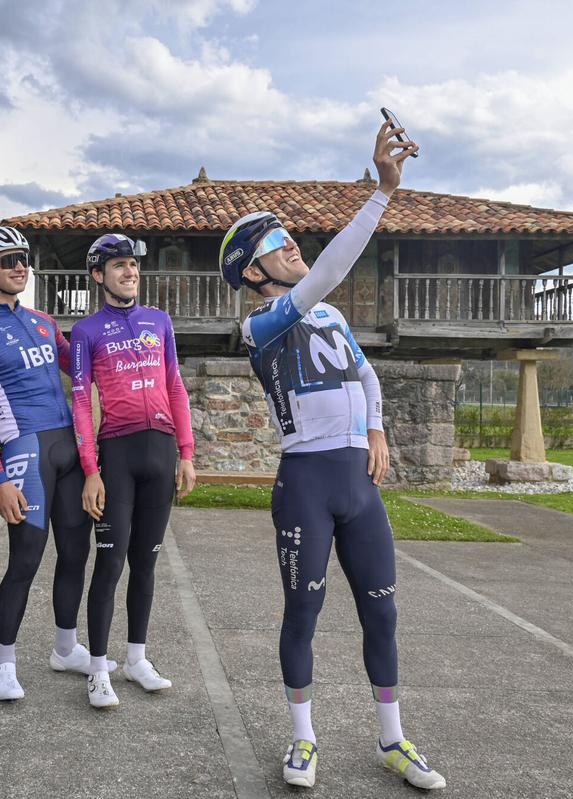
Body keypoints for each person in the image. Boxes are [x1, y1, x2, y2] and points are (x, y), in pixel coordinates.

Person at [220, 122, 445, 791]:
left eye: (291, 238)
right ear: (255, 271)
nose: (294, 245)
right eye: (278, 244)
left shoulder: (334, 318)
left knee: (383, 610)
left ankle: (393, 738)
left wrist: (375, 428)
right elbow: (330, 271)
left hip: (355, 479)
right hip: (307, 482)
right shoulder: (261, 323)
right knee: (304, 614)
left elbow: (367, 376)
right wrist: (381, 193)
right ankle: (303, 738)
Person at [0, 225, 103, 702]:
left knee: (76, 552)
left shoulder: (42, 321)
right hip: (26, 450)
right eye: (7, 260)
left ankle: (66, 647)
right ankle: (2, 663)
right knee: (25, 558)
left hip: (69, 446)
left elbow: (80, 370)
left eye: (22, 258)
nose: (20, 266)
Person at [69, 234, 197, 708]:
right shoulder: (86, 331)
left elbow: (176, 387)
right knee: (110, 561)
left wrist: (187, 452)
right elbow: (81, 401)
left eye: (134, 265)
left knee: (147, 562)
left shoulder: (159, 322)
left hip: (161, 452)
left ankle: (136, 658)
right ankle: (98, 668)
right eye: (119, 265)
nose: (130, 272)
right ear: (99, 274)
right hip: (116, 455)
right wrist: (90, 469)